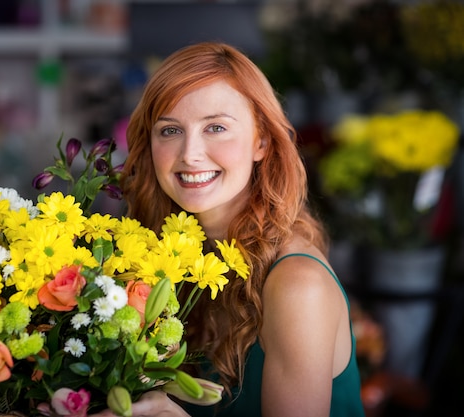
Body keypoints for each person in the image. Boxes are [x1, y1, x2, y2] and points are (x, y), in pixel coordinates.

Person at [91, 42, 365, 417]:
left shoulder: (297, 285)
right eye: (170, 130)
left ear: (262, 141)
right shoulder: (159, 257)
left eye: (215, 127)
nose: (190, 153)